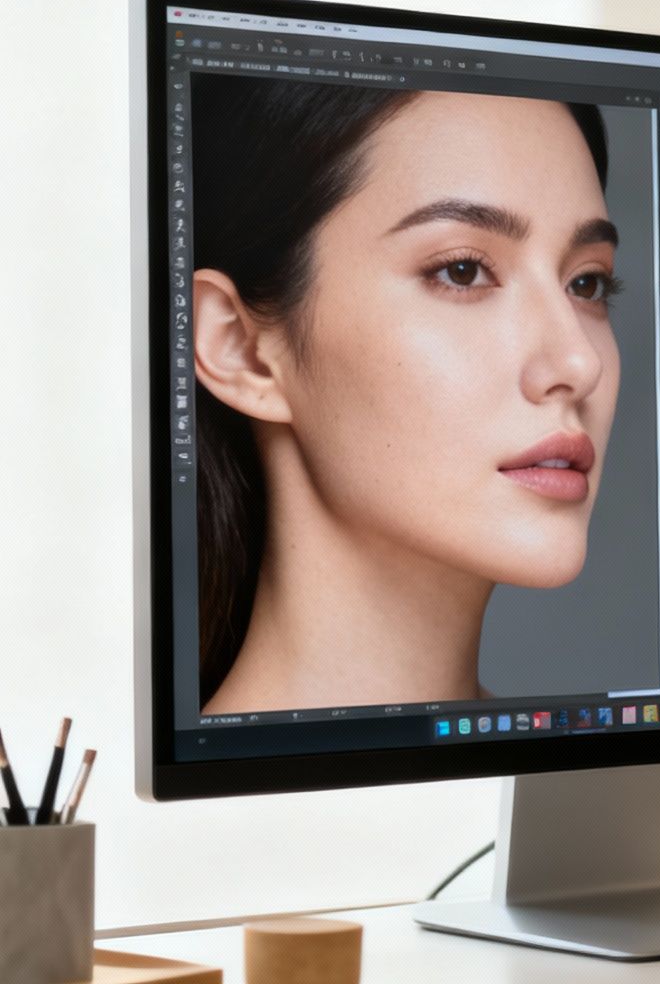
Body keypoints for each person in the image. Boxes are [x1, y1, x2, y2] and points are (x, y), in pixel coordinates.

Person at [190, 78, 622, 713]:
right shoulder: (171, 813)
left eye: (586, 283)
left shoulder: (571, 798)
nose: (578, 363)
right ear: (242, 350)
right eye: (462, 270)